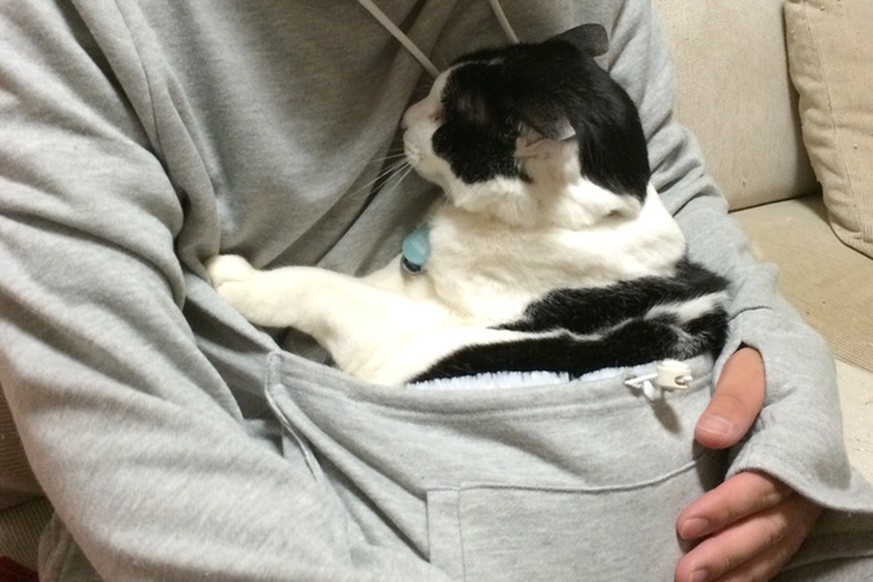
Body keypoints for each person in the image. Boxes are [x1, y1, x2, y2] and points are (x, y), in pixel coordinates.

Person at [0, 1, 871, 580]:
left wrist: (785, 382)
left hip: (689, 467)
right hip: (337, 488)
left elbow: (656, 183)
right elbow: (116, 419)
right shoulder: (65, 27)